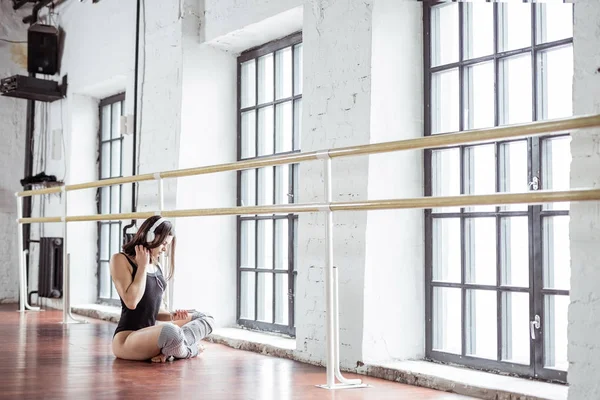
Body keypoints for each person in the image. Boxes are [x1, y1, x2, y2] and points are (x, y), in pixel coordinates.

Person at [110, 215, 214, 363]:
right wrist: (142, 266)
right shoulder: (120, 259)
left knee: (205, 317)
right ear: (150, 237)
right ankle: (190, 350)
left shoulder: (156, 265)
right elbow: (131, 302)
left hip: (153, 335)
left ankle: (171, 349)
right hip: (128, 339)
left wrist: (173, 316)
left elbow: (156, 311)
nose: (165, 249)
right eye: (164, 243)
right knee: (171, 331)